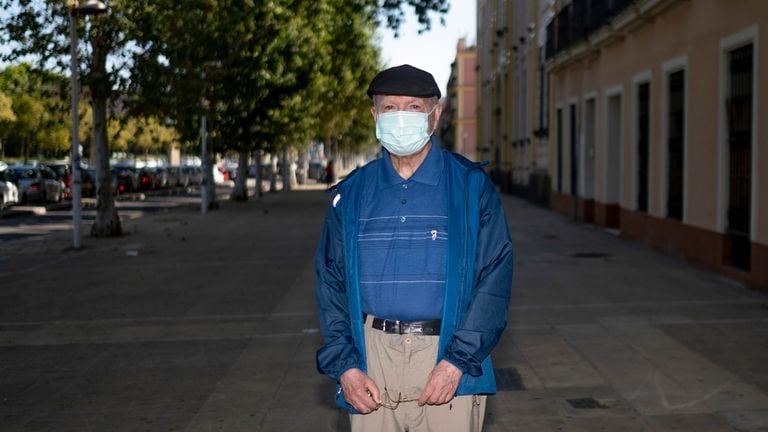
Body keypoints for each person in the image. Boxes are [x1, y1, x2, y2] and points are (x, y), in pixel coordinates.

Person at [315, 64, 514, 432]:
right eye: (390, 108)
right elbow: (331, 285)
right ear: (375, 116)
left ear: (434, 116)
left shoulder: (470, 188)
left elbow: (494, 279)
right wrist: (346, 367)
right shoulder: (352, 193)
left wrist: (457, 362)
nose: (400, 117)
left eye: (413, 107)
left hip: (447, 353)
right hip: (371, 358)